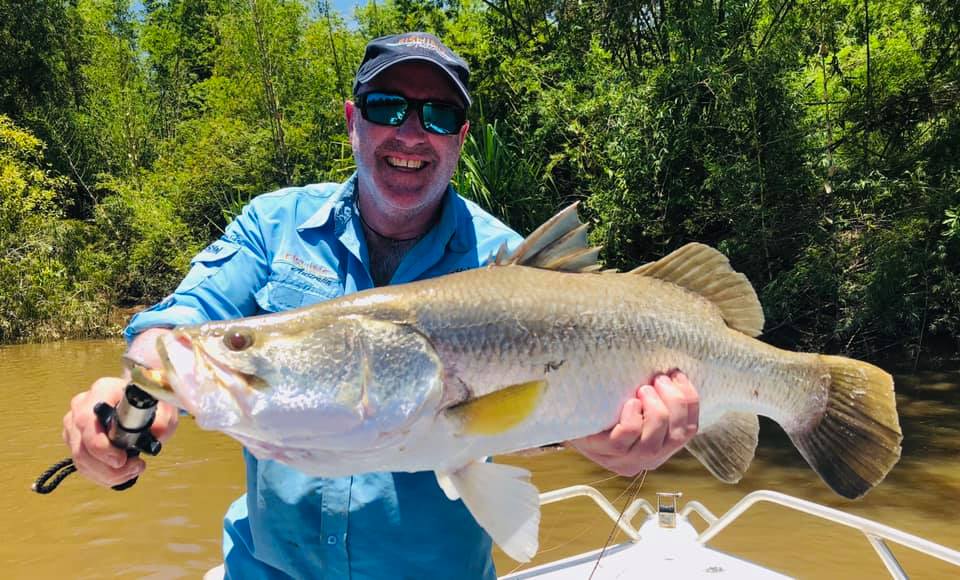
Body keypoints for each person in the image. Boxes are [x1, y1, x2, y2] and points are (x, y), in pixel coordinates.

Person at [62, 32, 700, 579]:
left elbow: (542, 421)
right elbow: (177, 326)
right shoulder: (270, 225)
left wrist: (607, 442)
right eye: (386, 106)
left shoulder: (511, 264)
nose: (411, 133)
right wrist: (125, 392)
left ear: (461, 138)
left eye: (439, 116)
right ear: (351, 119)